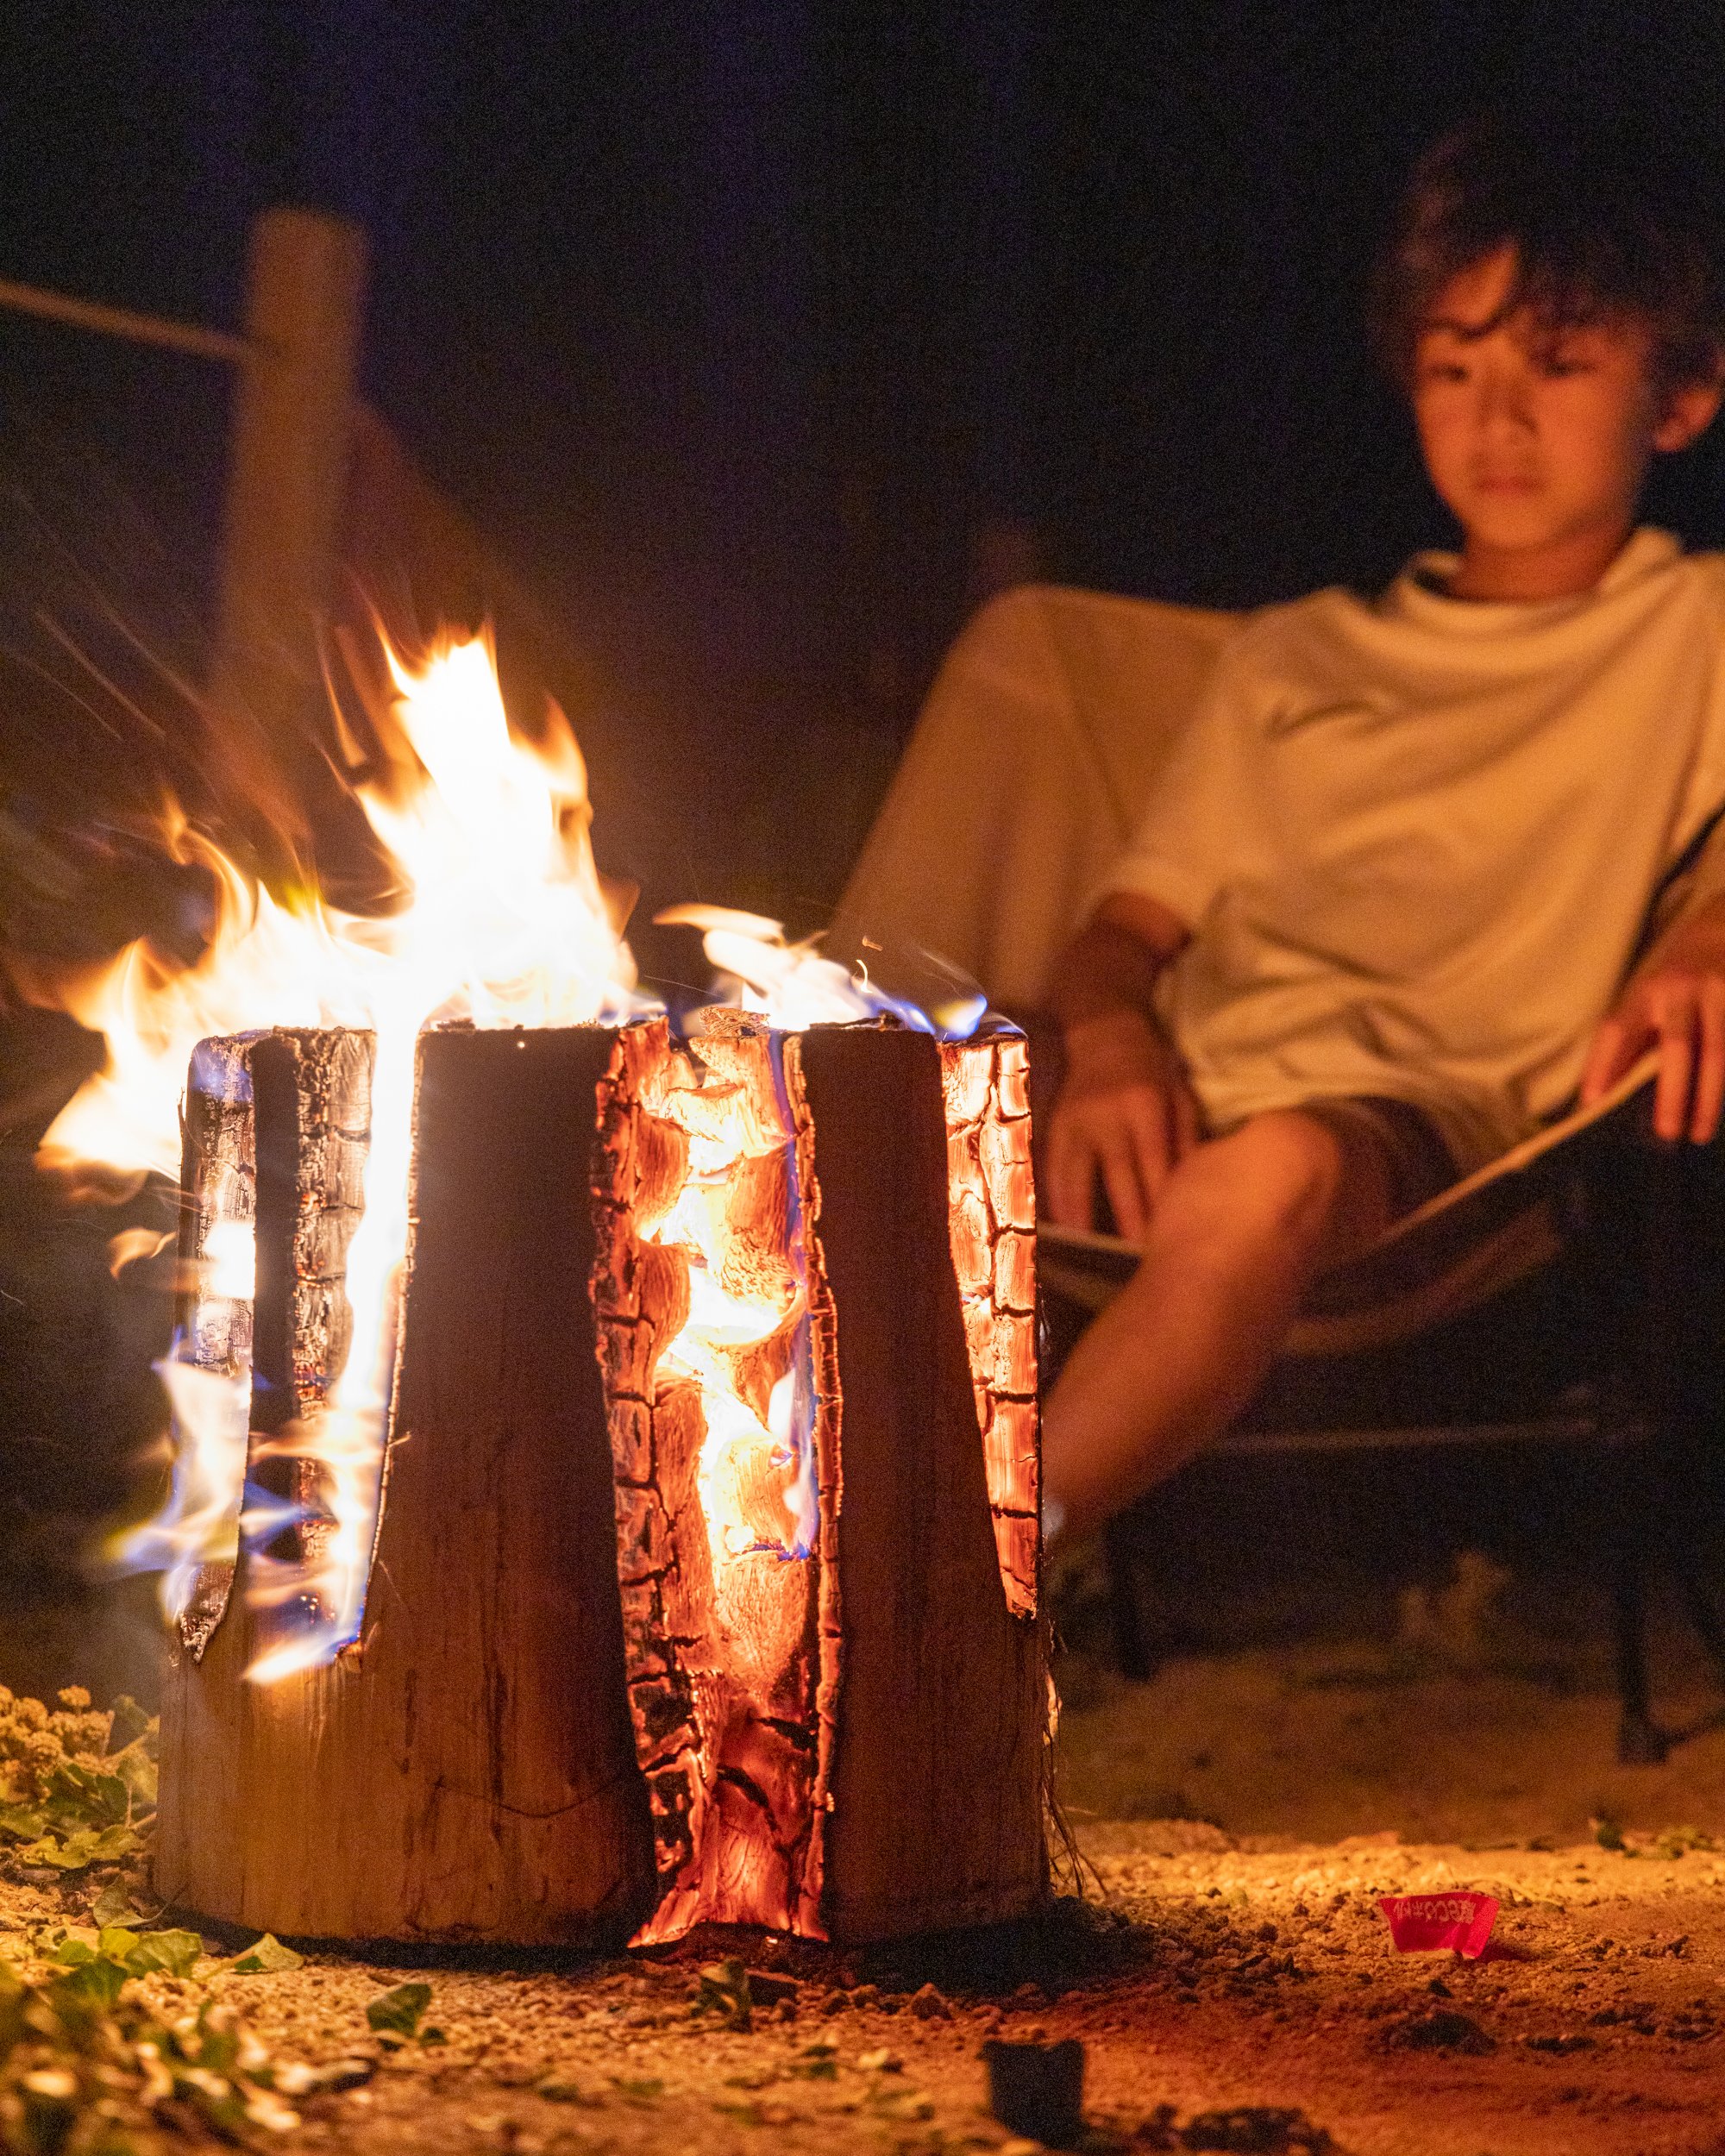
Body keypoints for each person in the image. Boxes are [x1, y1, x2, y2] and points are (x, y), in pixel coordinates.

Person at [1040, 113, 1725, 1545]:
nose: (1497, 421)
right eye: (1453, 369)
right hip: (1169, 1118)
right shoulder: (1293, 659)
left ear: (1685, 394)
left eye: (1558, 364)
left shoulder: (1694, 628)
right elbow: (1121, 936)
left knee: (1272, 1171)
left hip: (1416, 1149)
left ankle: (960, 1581)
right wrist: (1108, 1041)